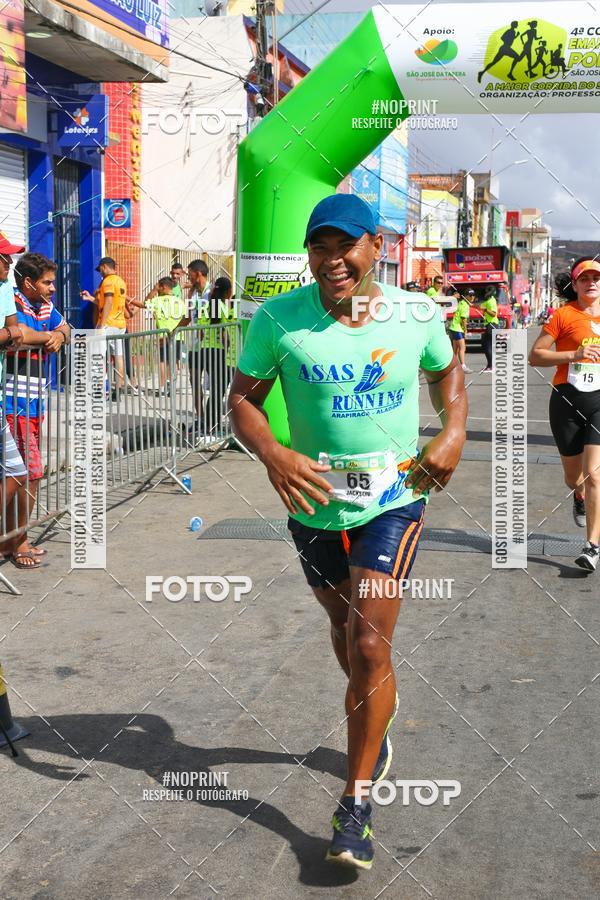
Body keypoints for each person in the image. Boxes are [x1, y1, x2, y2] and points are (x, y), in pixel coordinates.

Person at [228, 194, 467, 870]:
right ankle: (375, 716)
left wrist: (452, 430)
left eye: (346, 245)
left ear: (377, 246)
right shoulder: (279, 319)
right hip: (313, 505)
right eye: (320, 247)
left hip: (394, 498)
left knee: (368, 640)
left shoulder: (416, 313)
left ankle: (355, 803)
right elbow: (241, 398)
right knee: (343, 629)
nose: (333, 260)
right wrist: (273, 452)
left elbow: (447, 370)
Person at [529, 258, 600, 572]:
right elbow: (536, 355)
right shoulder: (563, 315)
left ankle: (592, 547)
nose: (592, 283)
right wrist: (574, 354)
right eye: (585, 278)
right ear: (575, 284)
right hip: (567, 400)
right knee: (575, 478)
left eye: (597, 277)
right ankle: (579, 494)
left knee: (596, 474)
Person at [4, 253, 70, 568]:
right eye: (47, 282)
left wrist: (59, 334)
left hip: (33, 405)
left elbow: (66, 328)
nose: (53, 288)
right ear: (29, 283)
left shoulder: (43, 306)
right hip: (14, 405)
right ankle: (18, 541)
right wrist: (49, 336)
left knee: (23, 475)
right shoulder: (13, 302)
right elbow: (20, 336)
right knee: (30, 474)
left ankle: (12, 538)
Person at [0, 231, 29, 562]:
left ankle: (9, 539)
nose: (10, 262)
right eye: (4, 257)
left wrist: (10, 334)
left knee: (16, 473)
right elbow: (12, 333)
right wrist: (10, 334)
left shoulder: (5, 287)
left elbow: (15, 332)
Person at [81, 257, 128, 395]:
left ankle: (98, 389)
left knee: (98, 356)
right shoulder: (120, 281)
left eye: (100, 270)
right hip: (120, 324)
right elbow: (107, 302)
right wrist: (90, 298)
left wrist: (101, 325)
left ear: (104, 266)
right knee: (118, 355)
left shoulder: (107, 281)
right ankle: (118, 390)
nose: (100, 273)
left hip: (107, 324)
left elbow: (108, 302)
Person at [180, 259, 211, 431]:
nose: (188, 277)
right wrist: (173, 331)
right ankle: (201, 418)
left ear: (198, 273)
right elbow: (188, 316)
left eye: (190, 273)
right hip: (194, 346)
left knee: (214, 382)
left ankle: (212, 419)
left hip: (210, 345)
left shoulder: (212, 291)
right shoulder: (193, 294)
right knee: (194, 381)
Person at [447, 286, 472, 373]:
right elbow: (464, 319)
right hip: (457, 328)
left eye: (473, 295)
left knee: (455, 349)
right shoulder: (465, 305)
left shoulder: (461, 302)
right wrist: (465, 330)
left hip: (454, 327)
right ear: (466, 296)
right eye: (470, 295)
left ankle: (451, 367)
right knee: (462, 347)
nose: (473, 297)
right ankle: (463, 366)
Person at [479, 289, 499, 372]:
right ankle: (489, 365)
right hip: (490, 325)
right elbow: (480, 305)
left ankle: (491, 366)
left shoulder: (491, 301)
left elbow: (494, 313)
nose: (485, 295)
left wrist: (486, 310)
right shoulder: (489, 301)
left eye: (486, 293)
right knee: (486, 345)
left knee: (487, 346)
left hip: (492, 325)